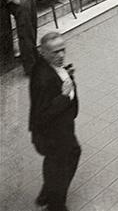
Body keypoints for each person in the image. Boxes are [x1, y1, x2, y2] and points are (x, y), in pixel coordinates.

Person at [29, 32, 81, 211]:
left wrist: (67, 75)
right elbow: (42, 115)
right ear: (42, 52)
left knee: (61, 161)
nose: (61, 56)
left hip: (62, 129)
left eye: (63, 50)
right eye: (55, 52)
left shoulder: (47, 66)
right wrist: (64, 96)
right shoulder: (42, 78)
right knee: (60, 166)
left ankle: (46, 194)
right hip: (52, 135)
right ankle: (55, 205)